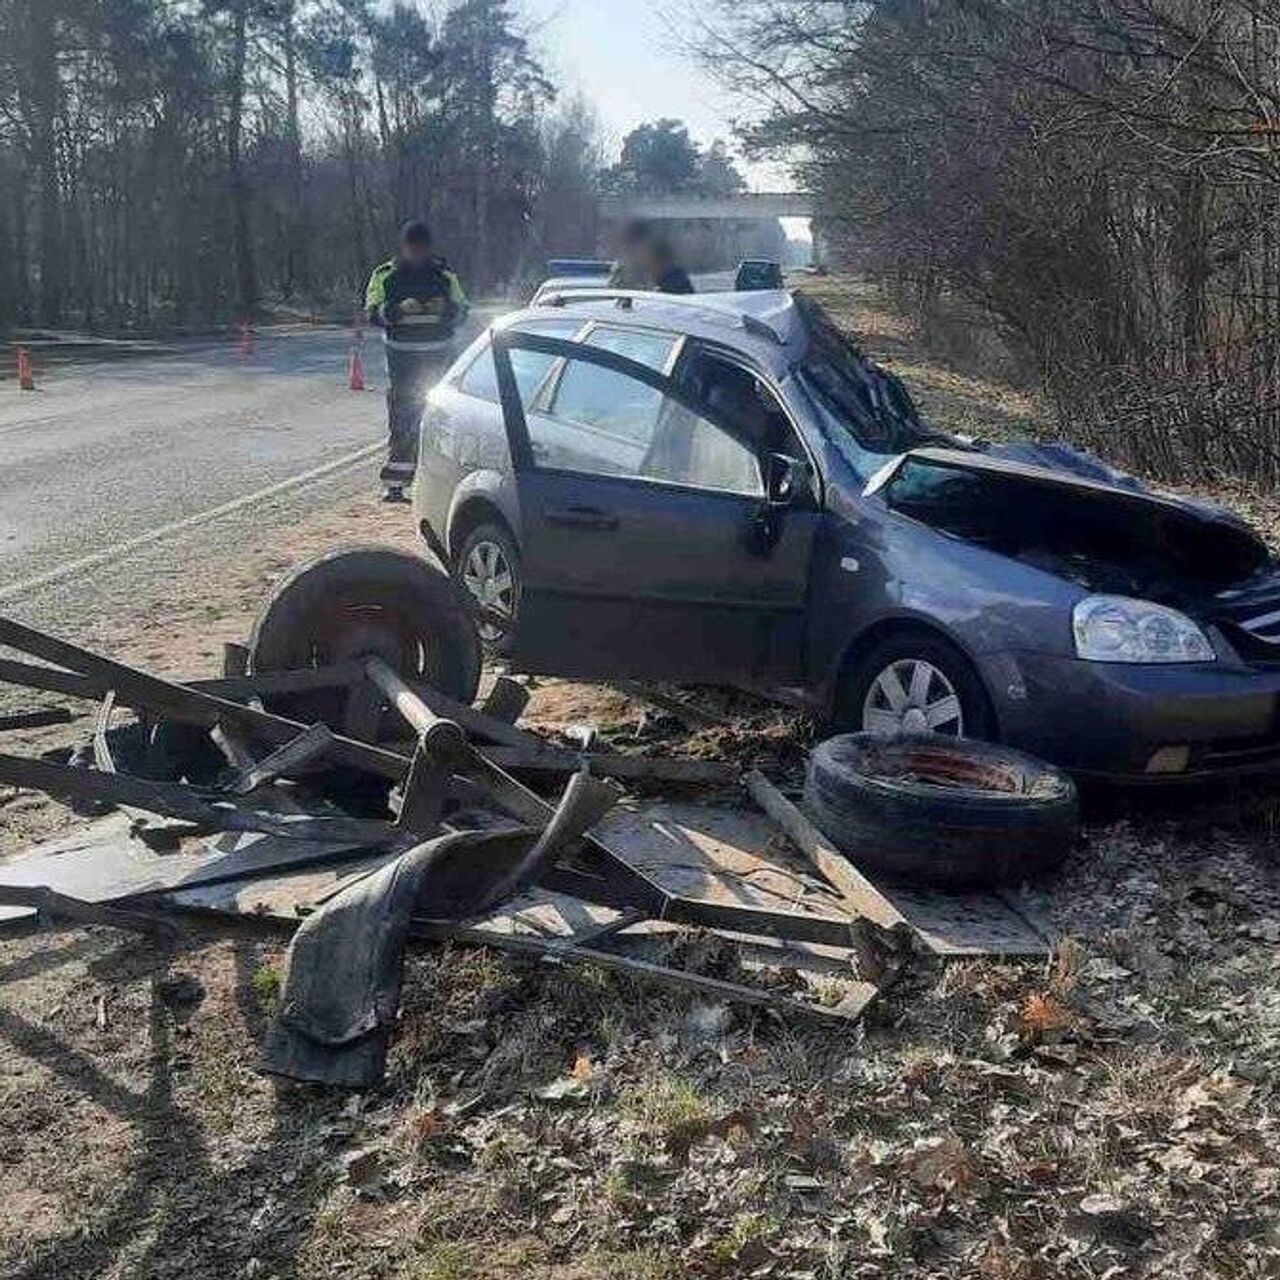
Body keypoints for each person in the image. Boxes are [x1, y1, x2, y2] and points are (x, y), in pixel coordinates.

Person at [365, 220, 468, 503]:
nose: (417, 254)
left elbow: (463, 310)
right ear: (404, 247)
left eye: (421, 249)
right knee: (403, 421)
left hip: (439, 360)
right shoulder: (385, 275)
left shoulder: (444, 276)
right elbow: (372, 312)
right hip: (402, 361)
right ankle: (395, 484)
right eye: (412, 248)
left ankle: (437, 485)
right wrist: (397, 310)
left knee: (438, 422)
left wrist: (445, 308)